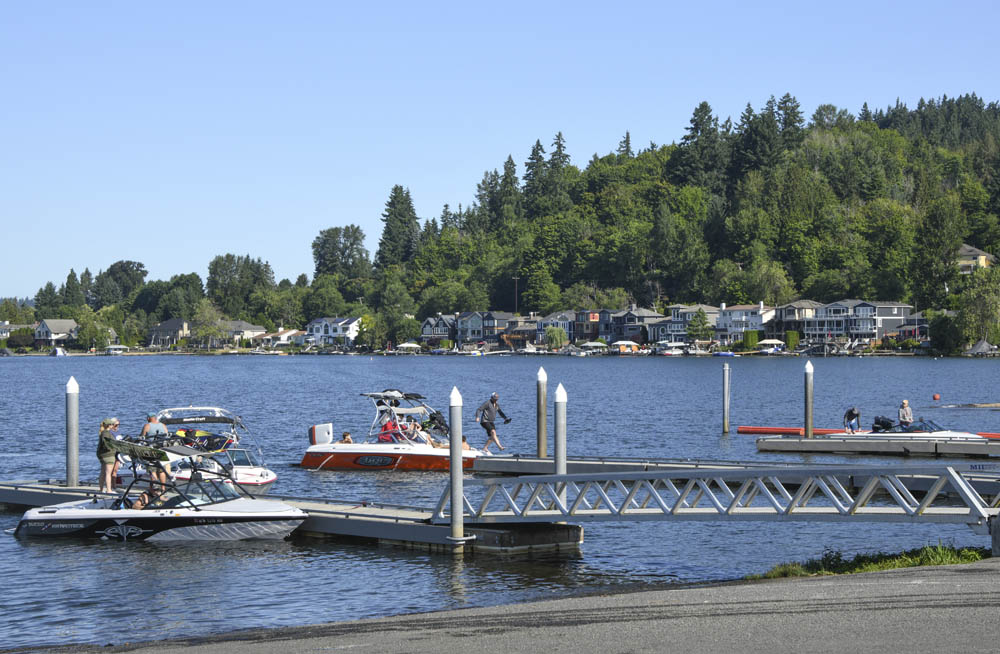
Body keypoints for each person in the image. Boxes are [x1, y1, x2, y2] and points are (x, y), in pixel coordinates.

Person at [96, 418, 120, 492]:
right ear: (109, 425)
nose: (113, 426)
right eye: (112, 424)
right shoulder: (106, 433)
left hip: (103, 455)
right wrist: (114, 447)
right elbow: (107, 444)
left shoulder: (103, 432)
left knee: (103, 472)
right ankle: (109, 489)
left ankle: (100, 489)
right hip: (109, 455)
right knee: (108, 473)